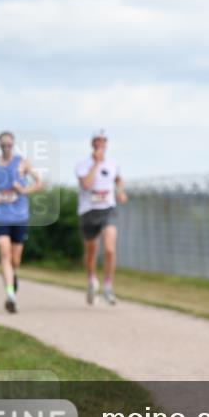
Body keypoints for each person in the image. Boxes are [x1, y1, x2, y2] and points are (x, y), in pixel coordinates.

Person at [0, 131, 42, 313]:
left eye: (9, 145)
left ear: (13, 145)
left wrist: (23, 189)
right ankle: (10, 295)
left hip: (19, 216)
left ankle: (12, 277)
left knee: (15, 259)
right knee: (3, 251)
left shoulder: (23, 162)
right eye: (3, 145)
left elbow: (39, 182)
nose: (6, 147)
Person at [75, 129, 127, 305]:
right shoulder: (83, 164)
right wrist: (96, 164)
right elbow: (87, 184)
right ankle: (91, 280)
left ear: (106, 144)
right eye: (97, 141)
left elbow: (118, 179)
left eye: (103, 141)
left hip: (108, 209)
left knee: (110, 249)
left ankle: (108, 286)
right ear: (92, 144)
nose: (100, 144)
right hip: (89, 212)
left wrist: (120, 191)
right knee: (91, 251)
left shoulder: (113, 164)